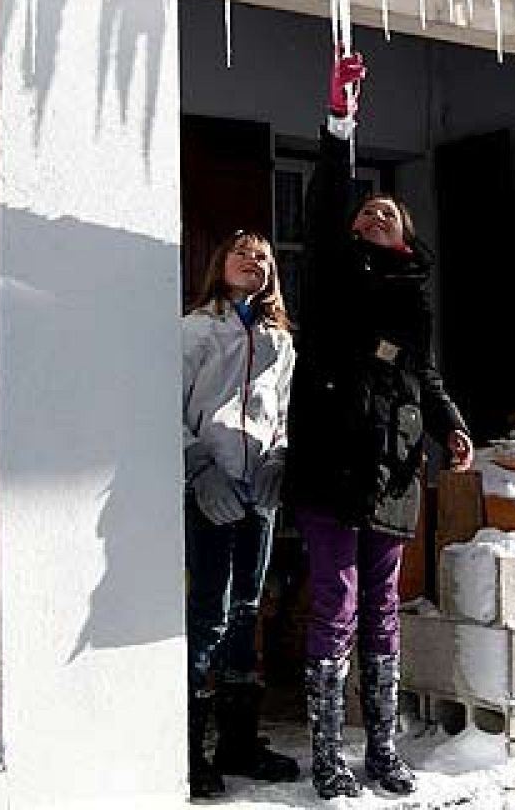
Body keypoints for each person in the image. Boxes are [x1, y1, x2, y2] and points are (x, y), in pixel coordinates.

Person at [284, 49, 475, 800]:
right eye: (366, 210)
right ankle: (330, 755)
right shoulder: (332, 273)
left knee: (382, 613)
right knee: (334, 601)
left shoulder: (417, 298)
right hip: (332, 462)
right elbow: (330, 195)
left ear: (405, 235)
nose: (372, 212)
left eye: (386, 211)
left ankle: (385, 753)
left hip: (393, 470)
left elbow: (424, 376)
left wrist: (450, 428)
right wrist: (341, 122)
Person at [181, 231, 302, 798]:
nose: (253, 261)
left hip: (259, 492)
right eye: (242, 253)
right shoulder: (197, 330)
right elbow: (162, 403)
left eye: (263, 256)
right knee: (209, 609)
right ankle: (189, 750)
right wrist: (199, 467)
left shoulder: (279, 341)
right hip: (211, 488)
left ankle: (238, 741)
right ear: (219, 265)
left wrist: (280, 459)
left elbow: (281, 412)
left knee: (249, 606)